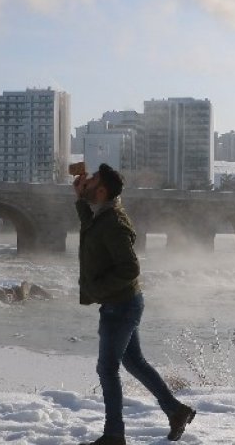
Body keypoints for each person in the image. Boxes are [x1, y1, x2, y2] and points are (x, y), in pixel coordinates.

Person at [73, 163, 195, 445]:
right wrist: (80, 199)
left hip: (120, 306)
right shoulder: (104, 214)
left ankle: (114, 435)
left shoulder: (113, 221)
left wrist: (96, 290)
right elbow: (91, 229)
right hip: (123, 303)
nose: (86, 180)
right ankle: (176, 411)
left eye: (91, 180)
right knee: (134, 362)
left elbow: (129, 268)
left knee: (107, 369)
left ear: (101, 190)